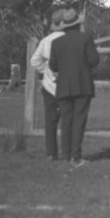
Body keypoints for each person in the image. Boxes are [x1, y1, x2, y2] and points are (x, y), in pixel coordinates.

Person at [48, 5, 99, 168]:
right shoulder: (85, 38)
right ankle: (76, 157)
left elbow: (53, 66)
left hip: (63, 86)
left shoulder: (56, 43)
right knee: (79, 121)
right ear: (78, 24)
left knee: (66, 121)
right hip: (82, 85)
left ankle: (66, 156)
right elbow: (94, 60)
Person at [29, 12, 64, 160]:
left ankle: (51, 154)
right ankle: (69, 153)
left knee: (50, 121)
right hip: (67, 86)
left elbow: (35, 61)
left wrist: (47, 71)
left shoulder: (46, 41)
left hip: (49, 86)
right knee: (69, 120)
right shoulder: (71, 40)